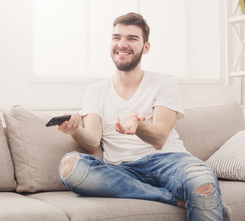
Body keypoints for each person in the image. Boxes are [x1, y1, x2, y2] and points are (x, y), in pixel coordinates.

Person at [57, 12, 231, 221]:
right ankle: (171, 198)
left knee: (203, 183)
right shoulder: (95, 91)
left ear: (145, 47)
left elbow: (159, 137)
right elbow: (93, 142)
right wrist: (75, 130)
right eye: (117, 37)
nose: (122, 43)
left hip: (170, 162)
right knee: (71, 167)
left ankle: (198, 198)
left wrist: (138, 127)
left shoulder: (163, 83)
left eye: (132, 38)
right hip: (123, 170)